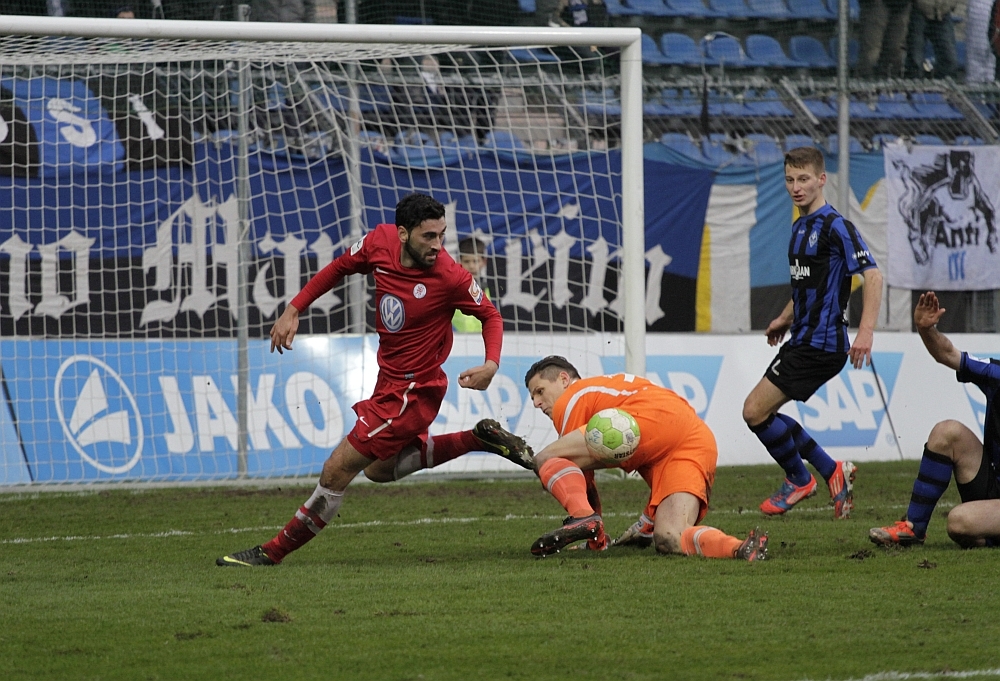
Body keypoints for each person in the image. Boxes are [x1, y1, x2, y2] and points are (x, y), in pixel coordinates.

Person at [217, 193, 533, 567]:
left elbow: (491, 316)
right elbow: (338, 267)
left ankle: (271, 552)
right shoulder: (378, 241)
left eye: (442, 235)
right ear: (402, 233)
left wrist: (491, 364)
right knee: (379, 470)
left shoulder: (450, 275)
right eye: (428, 236)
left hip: (412, 391)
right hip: (389, 382)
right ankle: (477, 438)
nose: (438, 245)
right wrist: (293, 309)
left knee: (336, 470)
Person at [743, 146, 883, 520]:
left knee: (754, 411)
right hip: (802, 338)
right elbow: (807, 285)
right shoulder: (799, 227)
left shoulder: (836, 226)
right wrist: (784, 318)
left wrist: (866, 332)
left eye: (803, 179)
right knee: (764, 414)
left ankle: (799, 479)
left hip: (822, 344)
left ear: (821, 179)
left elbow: (873, 276)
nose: (796, 187)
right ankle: (831, 471)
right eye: (790, 179)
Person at [523, 356, 768, 561]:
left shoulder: (573, 397)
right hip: (692, 438)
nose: (536, 402)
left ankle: (587, 520)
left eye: (540, 391)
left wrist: (594, 538)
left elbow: (582, 481)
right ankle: (740, 548)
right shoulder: (604, 389)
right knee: (670, 537)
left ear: (564, 379)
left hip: (647, 419)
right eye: (533, 397)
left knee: (546, 459)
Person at [870, 292, 1000, 548]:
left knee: (959, 522)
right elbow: (948, 354)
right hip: (992, 485)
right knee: (947, 432)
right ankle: (913, 528)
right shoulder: (995, 373)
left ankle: (988, 534)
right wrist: (926, 329)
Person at [857, 0, 913, 78]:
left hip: (902, 5)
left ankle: (889, 80)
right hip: (876, 4)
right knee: (872, 50)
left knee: (895, 49)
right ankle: (865, 79)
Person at [904, 0, 959, 79]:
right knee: (915, 60)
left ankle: (944, 85)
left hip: (943, 12)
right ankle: (913, 84)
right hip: (918, 11)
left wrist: (950, 4)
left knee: (949, 59)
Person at [452, 236, 491, 333]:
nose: (471, 266)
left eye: (475, 261)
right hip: (457, 337)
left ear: (484, 262)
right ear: (459, 261)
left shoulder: (487, 287)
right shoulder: (452, 287)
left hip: (481, 337)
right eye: (467, 261)